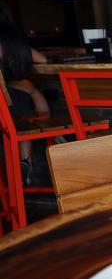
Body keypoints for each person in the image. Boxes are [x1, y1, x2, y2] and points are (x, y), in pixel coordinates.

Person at [0, 25, 52, 183]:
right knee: (27, 95)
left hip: (8, 109)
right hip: (11, 112)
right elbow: (42, 59)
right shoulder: (12, 47)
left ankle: (25, 162)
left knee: (27, 93)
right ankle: (26, 160)